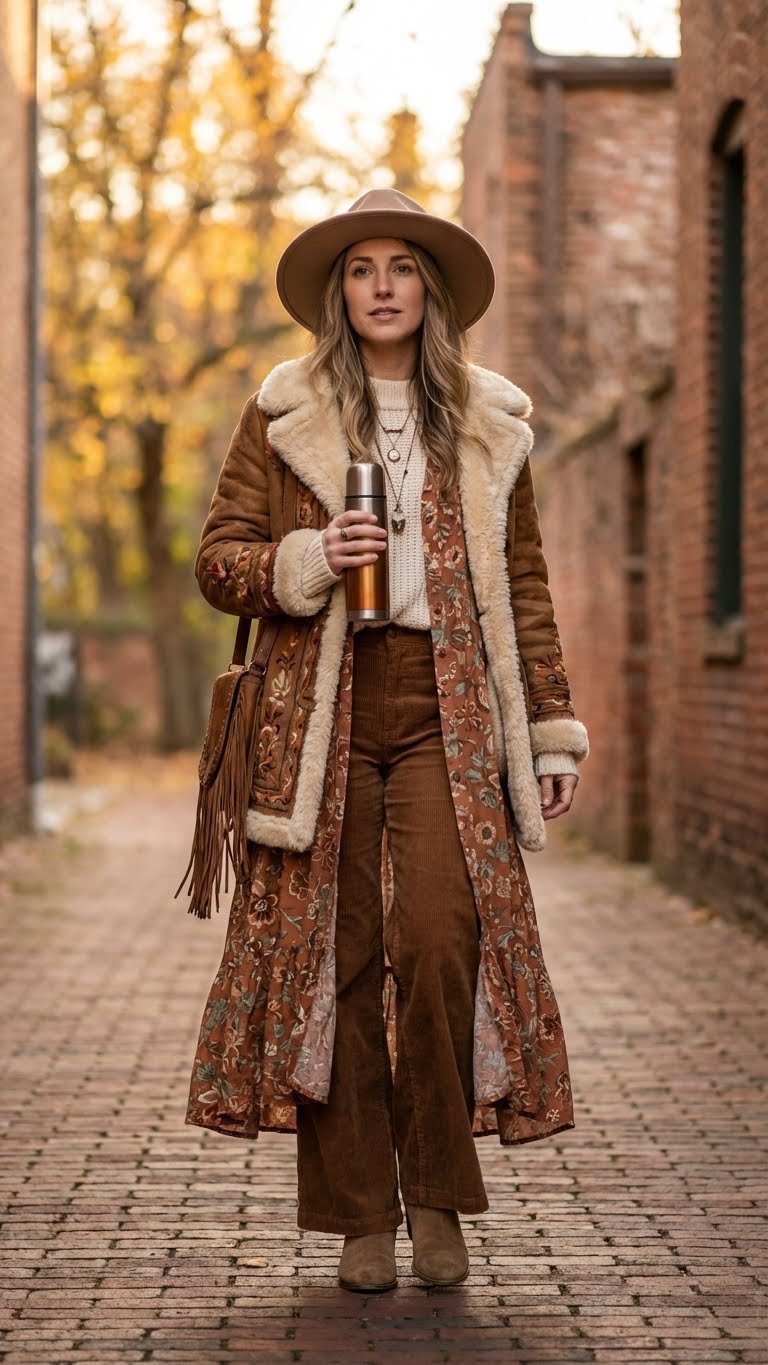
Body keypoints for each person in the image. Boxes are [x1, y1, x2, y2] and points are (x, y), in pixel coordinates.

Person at [184, 188, 589, 1293]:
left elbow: (525, 584)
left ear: (431, 289)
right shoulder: (284, 412)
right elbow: (220, 557)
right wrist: (307, 554)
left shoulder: (492, 420)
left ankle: (439, 1198)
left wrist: (549, 732)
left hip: (447, 712)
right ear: (338, 292)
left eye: (399, 266)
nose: (379, 285)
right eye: (359, 268)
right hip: (322, 708)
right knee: (343, 957)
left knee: (442, 938)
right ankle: (363, 1214)